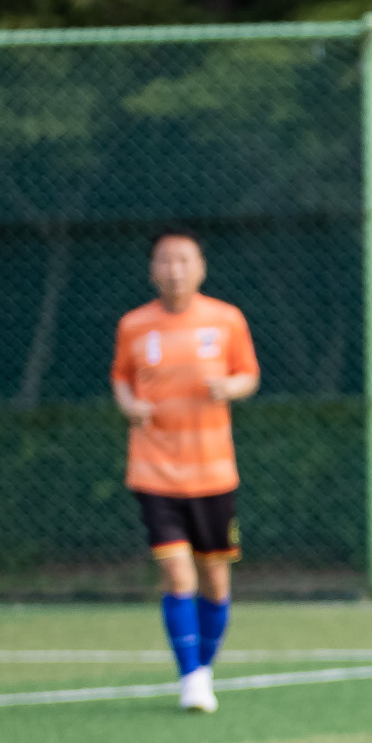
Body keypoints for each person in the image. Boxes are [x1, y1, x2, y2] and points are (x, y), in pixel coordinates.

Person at [111, 231, 259, 713]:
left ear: (201, 267)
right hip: (155, 469)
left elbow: (249, 375)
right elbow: (121, 377)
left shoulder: (226, 319)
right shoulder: (134, 325)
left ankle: (204, 665)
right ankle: (191, 677)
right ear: (152, 270)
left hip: (213, 474)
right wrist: (130, 403)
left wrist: (229, 386)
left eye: (183, 260)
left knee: (215, 583)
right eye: (164, 261)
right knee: (178, 576)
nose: (174, 270)